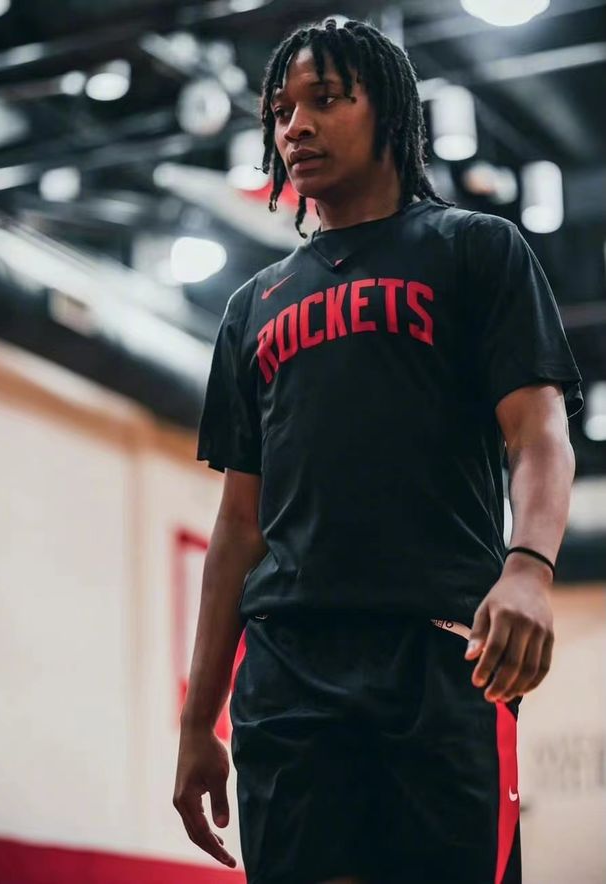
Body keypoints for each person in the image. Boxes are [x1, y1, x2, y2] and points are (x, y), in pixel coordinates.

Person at [173, 17, 583, 884]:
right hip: (287, 672)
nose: (296, 127)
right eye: (282, 110)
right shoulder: (252, 307)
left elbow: (538, 432)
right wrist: (196, 723)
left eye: (325, 100)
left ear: (389, 113)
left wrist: (528, 568)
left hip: (439, 654)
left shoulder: (476, 250)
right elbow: (238, 527)